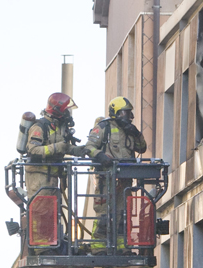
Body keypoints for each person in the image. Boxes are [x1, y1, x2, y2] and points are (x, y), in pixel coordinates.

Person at [23, 92, 87, 240]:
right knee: (40, 210)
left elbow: (64, 147)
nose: (67, 113)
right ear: (57, 110)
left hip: (52, 176)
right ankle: (40, 247)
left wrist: (82, 150)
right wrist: (56, 148)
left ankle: (50, 243)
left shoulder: (59, 127)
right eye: (65, 110)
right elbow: (32, 149)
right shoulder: (40, 127)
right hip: (38, 176)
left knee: (52, 211)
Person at [84, 96, 148, 242]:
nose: (129, 116)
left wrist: (136, 133)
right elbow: (89, 147)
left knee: (122, 214)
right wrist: (101, 157)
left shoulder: (129, 131)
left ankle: (121, 247)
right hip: (105, 179)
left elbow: (142, 148)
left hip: (124, 181)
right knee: (103, 214)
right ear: (117, 112)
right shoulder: (103, 128)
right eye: (125, 112)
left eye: (129, 112)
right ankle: (99, 245)